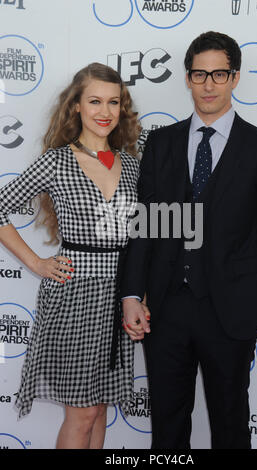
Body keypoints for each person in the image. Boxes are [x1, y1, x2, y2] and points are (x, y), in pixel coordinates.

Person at [121, 31, 257, 449]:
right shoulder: (160, 143)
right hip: (165, 308)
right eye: (200, 74)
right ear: (187, 78)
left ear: (234, 77)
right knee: (167, 425)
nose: (209, 84)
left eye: (219, 74)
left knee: (230, 423)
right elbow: (145, 223)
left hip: (232, 311)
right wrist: (130, 293)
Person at [0, 63, 148, 449]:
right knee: (81, 414)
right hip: (75, 296)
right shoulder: (57, 160)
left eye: (114, 102)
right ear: (76, 107)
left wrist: (138, 294)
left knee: (98, 409)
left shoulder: (132, 166)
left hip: (119, 296)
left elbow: (140, 239)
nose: (105, 111)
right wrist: (36, 263)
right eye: (95, 101)